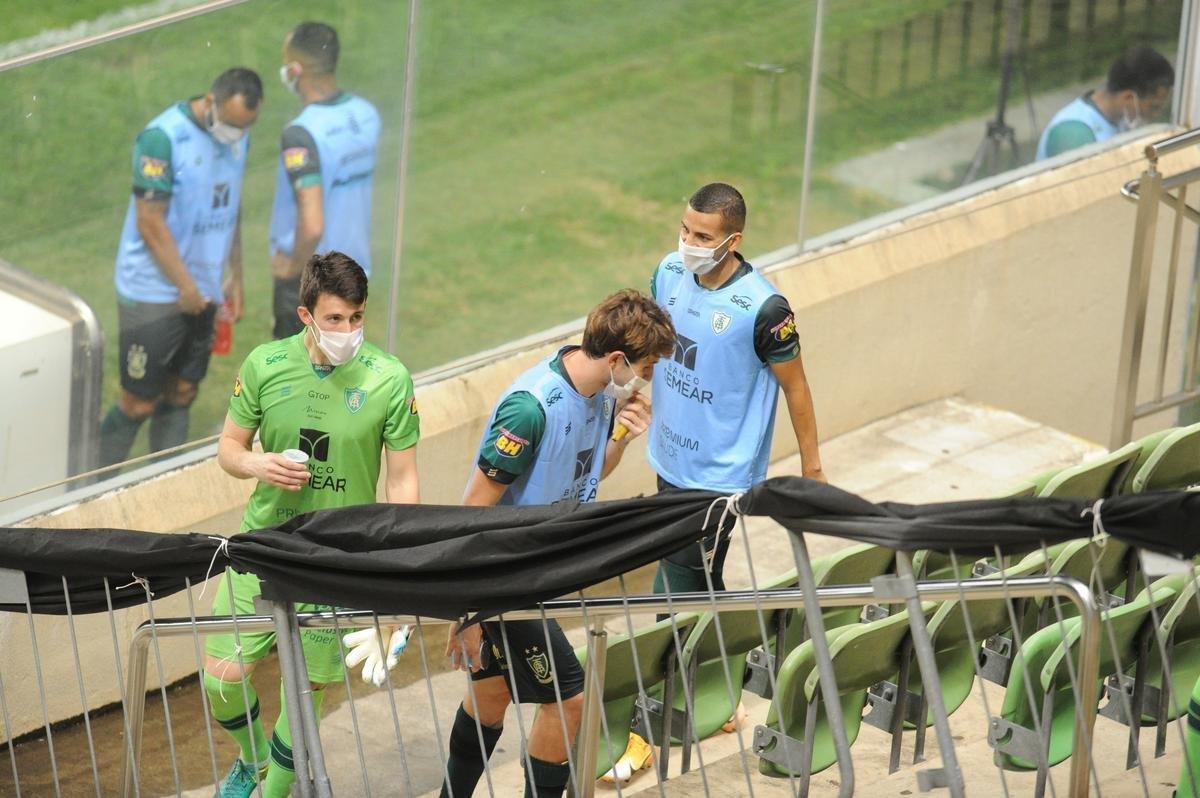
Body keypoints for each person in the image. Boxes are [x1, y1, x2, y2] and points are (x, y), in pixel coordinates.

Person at [605, 183, 825, 783]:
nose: (689, 244)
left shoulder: (765, 308)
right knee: (692, 586)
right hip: (668, 462)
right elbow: (650, 350)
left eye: (703, 237)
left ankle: (650, 729)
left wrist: (813, 473)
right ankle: (718, 695)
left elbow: (797, 389)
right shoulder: (667, 275)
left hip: (718, 481)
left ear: (733, 240)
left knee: (671, 593)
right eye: (685, 230)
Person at [440, 289, 676, 798]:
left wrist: (620, 440)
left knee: (492, 696)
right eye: (647, 366)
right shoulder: (530, 411)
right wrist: (469, 611)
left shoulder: (598, 394)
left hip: (537, 575)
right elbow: (471, 512)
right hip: (506, 582)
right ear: (617, 359)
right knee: (572, 701)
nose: (648, 379)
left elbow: (589, 474)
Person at [202, 251, 420, 797]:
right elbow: (230, 448)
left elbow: (402, 484)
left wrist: (403, 574)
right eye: (333, 319)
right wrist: (257, 463)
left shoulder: (389, 379)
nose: (347, 331)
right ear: (305, 315)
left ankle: (272, 792)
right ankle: (254, 762)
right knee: (221, 679)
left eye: (356, 318)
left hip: (335, 560)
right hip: (263, 546)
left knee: (305, 694)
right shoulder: (264, 365)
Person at [99, 68, 262, 467]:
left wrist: (236, 274)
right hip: (154, 293)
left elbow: (231, 203)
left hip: (202, 289)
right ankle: (86, 488)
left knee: (184, 390)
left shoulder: (238, 136)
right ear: (211, 101)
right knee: (138, 401)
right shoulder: (162, 138)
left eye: (245, 126)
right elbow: (149, 222)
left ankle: (162, 482)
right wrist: (185, 287)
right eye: (231, 123)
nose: (236, 134)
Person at [269, 21, 381, 339]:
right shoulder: (366, 115)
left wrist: (290, 269)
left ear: (295, 69)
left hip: (313, 280)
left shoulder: (301, 133)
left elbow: (313, 223)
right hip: (354, 273)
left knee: (296, 381)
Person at [1036, 45, 1174, 161]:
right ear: (1128, 97)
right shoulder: (1075, 134)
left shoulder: (1119, 119)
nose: (1155, 114)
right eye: (1153, 107)